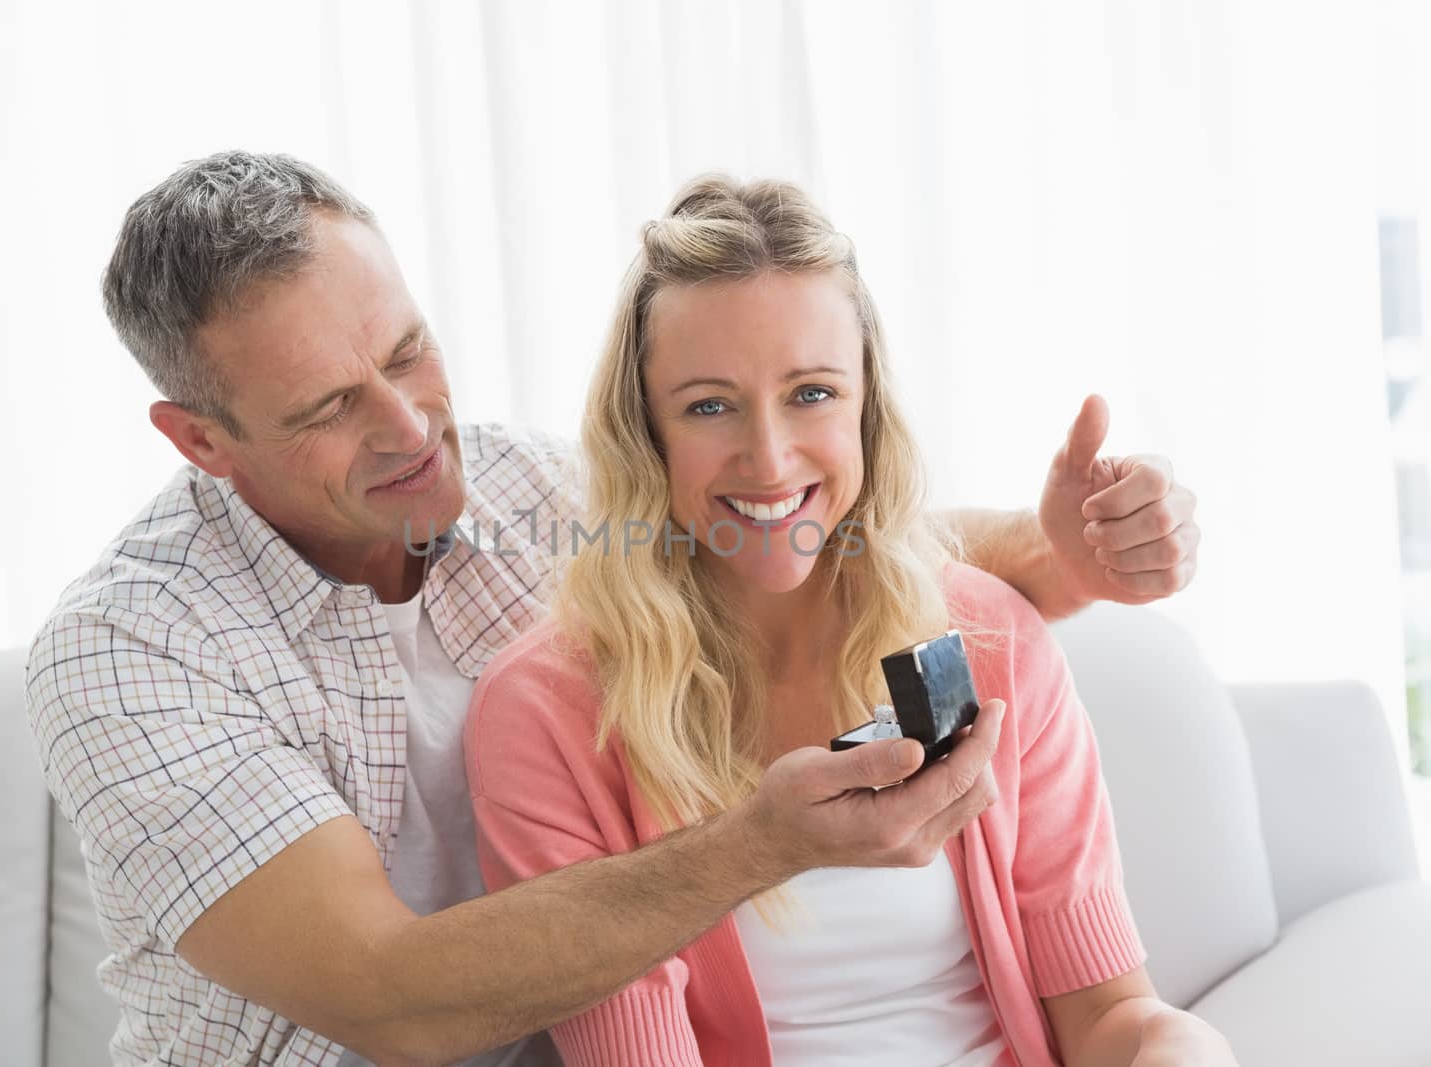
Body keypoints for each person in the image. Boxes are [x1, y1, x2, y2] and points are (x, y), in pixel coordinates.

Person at [25, 151, 1201, 1067]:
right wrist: (762, 841)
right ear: (201, 440)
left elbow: (794, 522)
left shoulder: (537, 497)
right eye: (331, 402)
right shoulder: (133, 652)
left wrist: (1067, 556)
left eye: (409, 350)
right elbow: (390, 1001)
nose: (408, 425)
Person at [463, 176, 1233, 1066]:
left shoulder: (986, 640)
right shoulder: (548, 712)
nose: (770, 455)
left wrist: (1179, 1047)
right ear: (647, 431)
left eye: (813, 392)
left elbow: (1106, 1014)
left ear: (868, 405)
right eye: (709, 404)